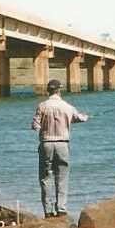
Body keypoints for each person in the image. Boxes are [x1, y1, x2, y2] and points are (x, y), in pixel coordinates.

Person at [31, 78, 89, 218]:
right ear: (59, 90)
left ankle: (48, 211)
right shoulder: (67, 106)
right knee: (62, 177)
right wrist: (85, 117)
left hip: (46, 144)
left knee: (45, 177)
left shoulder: (42, 106)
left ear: (48, 91)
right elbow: (78, 118)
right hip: (63, 144)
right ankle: (61, 209)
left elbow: (35, 126)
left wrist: (43, 125)